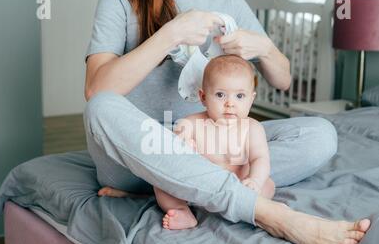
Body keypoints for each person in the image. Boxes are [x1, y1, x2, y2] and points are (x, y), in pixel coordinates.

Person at [84, 0, 371, 244]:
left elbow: (283, 80)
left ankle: (186, 186)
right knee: (100, 107)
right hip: (141, 149)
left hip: (212, 148)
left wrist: (265, 49)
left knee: (319, 134)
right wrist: (170, 34)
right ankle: (270, 214)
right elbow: (97, 88)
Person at [99, 55, 276, 230]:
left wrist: (255, 181)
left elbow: (260, 159)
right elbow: (172, 160)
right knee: (161, 183)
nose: (230, 103)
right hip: (196, 192)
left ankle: (248, 210)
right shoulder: (190, 124)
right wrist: (185, 149)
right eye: (221, 95)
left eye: (239, 96)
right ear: (203, 97)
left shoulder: (252, 128)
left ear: (251, 99)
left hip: (238, 190)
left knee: (268, 185)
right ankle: (181, 210)